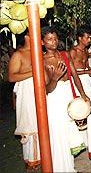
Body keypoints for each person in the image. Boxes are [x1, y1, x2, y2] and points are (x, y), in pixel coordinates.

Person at [42, 26, 90, 172]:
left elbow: (75, 75)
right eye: (49, 39)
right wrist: (55, 78)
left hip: (68, 94)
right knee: (58, 133)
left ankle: (69, 167)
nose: (53, 42)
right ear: (43, 42)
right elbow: (47, 89)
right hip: (54, 97)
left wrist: (83, 94)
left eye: (55, 38)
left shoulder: (65, 54)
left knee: (69, 130)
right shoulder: (42, 61)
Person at [8, 30, 40, 170]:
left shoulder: (39, 52)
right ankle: (32, 160)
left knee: (42, 122)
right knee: (31, 124)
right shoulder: (18, 54)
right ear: (27, 36)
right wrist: (33, 72)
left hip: (40, 91)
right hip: (26, 94)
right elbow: (11, 77)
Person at [69, 28, 91, 160]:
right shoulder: (73, 51)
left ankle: (89, 142)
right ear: (79, 38)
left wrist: (90, 72)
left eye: (90, 37)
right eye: (87, 37)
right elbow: (71, 72)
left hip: (87, 81)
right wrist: (87, 72)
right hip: (78, 82)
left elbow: (85, 67)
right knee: (83, 110)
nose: (89, 40)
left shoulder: (86, 51)